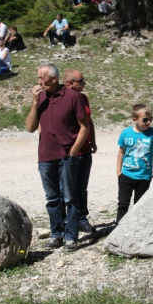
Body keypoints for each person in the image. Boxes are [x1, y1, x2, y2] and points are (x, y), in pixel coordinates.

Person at [25, 63, 89, 251]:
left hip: (66, 156)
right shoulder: (41, 97)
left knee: (70, 198)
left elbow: (84, 127)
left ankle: (71, 237)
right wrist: (35, 102)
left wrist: (74, 151)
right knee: (52, 198)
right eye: (38, 78)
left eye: (41, 78)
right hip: (45, 156)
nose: (39, 82)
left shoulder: (73, 97)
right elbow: (30, 127)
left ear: (54, 79)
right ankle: (56, 235)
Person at [116, 104, 153, 223]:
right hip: (126, 176)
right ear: (135, 120)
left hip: (144, 177)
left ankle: (136, 228)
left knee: (139, 206)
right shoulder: (126, 133)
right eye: (145, 120)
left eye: (150, 119)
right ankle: (118, 230)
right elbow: (121, 152)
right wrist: (118, 171)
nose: (148, 122)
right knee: (123, 205)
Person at [62, 69, 97, 233]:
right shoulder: (60, 99)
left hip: (84, 151)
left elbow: (89, 121)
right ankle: (65, 221)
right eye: (81, 81)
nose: (84, 84)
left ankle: (82, 219)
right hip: (67, 153)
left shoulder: (83, 98)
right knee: (65, 190)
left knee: (81, 188)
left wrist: (93, 140)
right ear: (70, 83)